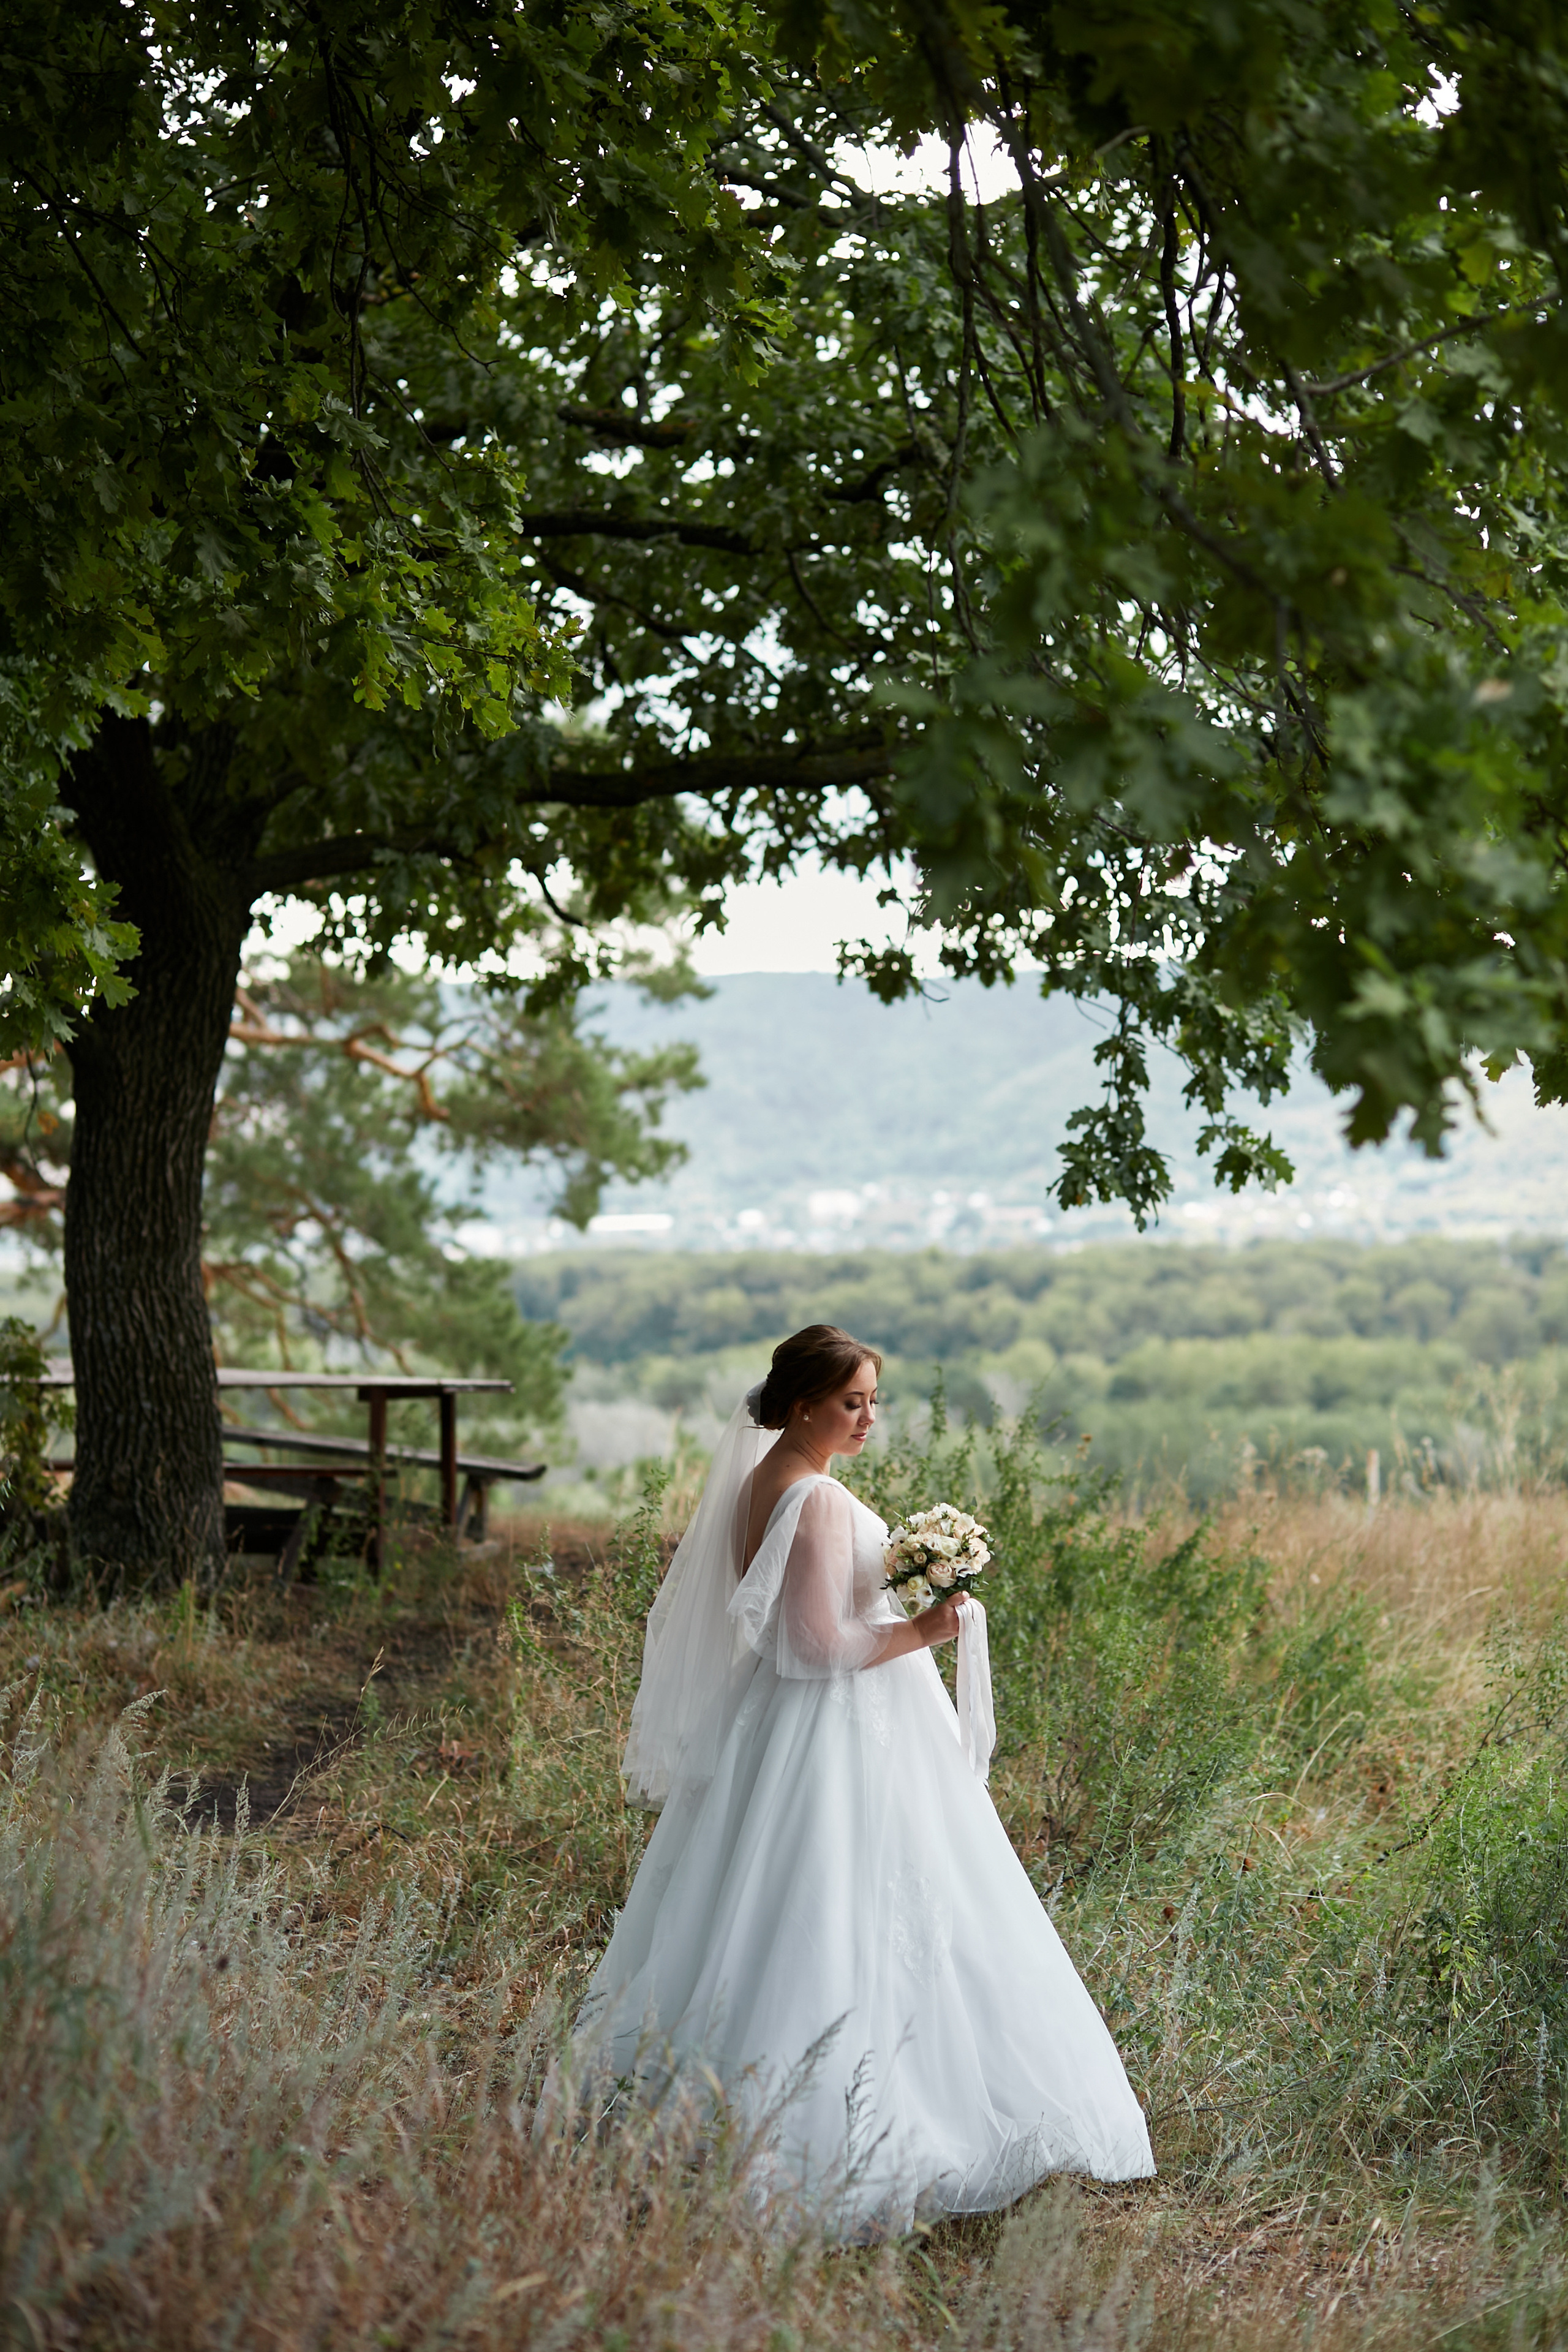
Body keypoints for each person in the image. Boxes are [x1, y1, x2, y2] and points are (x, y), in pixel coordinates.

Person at [572, 1323, 1155, 2236]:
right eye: (853, 1402)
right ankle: (846, 2129)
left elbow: (788, 1633)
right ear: (803, 1403)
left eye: (875, 1401)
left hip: (773, 1728)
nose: (869, 1418)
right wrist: (926, 1631)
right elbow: (812, 1649)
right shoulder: (818, 1501)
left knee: (764, 1904)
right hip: (834, 1729)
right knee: (855, 1902)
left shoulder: (763, 1487)